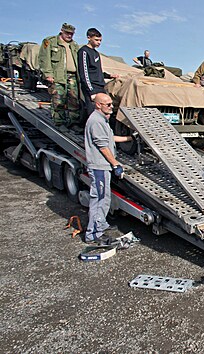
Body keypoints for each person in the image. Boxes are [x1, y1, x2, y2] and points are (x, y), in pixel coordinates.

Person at [84, 93, 133, 244]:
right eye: (108, 104)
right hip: (99, 166)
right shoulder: (96, 121)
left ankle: (100, 225)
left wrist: (131, 138)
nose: (111, 107)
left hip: (103, 166)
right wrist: (115, 164)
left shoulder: (102, 120)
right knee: (98, 199)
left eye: (112, 104)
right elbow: (103, 146)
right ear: (98, 105)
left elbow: (110, 139)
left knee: (104, 198)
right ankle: (93, 234)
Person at [38, 23, 80, 128]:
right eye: (67, 33)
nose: (69, 35)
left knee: (74, 100)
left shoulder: (74, 45)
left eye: (71, 34)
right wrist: (48, 74)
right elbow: (44, 59)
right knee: (58, 100)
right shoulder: (50, 42)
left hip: (73, 76)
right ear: (61, 31)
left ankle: (73, 122)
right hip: (58, 76)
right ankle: (59, 122)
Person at [77, 28, 120, 122]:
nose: (99, 42)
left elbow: (97, 71)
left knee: (105, 112)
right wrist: (91, 91)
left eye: (100, 40)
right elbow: (84, 73)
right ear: (89, 38)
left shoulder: (96, 53)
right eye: (96, 40)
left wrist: (109, 76)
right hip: (92, 87)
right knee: (93, 113)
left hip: (100, 86)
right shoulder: (84, 51)